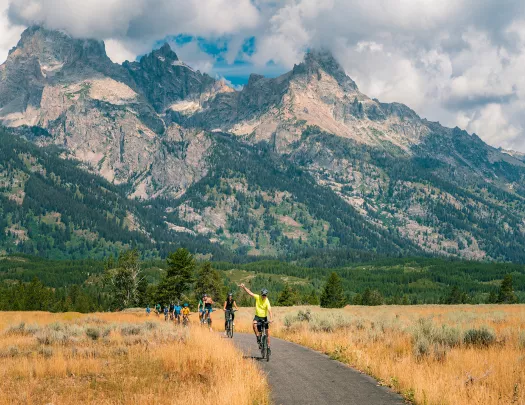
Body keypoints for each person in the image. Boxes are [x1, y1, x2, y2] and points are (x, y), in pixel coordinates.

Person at [239, 284, 273, 349]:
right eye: (263, 295)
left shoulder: (267, 301)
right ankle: (258, 337)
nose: (264, 296)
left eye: (265, 295)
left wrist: (271, 319)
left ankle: (268, 347)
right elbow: (250, 293)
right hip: (257, 317)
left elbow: (270, 310)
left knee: (267, 333)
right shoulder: (258, 297)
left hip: (264, 317)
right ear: (261, 294)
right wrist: (244, 287)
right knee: (254, 325)